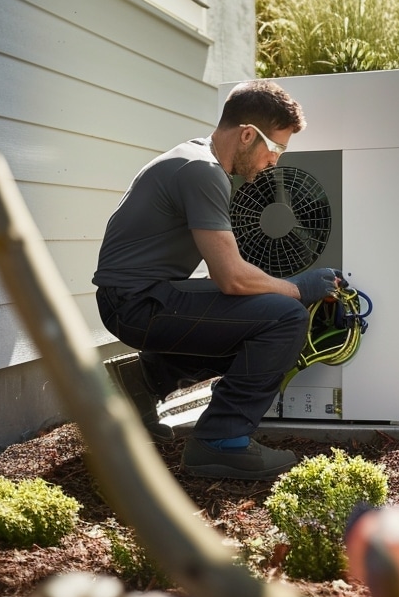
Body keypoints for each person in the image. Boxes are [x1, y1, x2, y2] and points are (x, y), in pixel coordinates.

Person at [93, 79, 343, 479]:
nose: (275, 162)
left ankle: (139, 383)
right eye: (275, 148)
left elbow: (225, 275)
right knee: (284, 317)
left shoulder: (198, 159)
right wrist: (299, 289)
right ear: (247, 135)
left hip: (132, 298)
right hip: (135, 304)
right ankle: (222, 441)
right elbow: (231, 279)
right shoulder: (204, 172)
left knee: (258, 315)